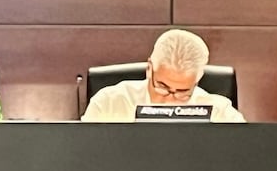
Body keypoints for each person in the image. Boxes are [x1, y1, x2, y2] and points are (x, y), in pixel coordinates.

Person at [81, 28, 245, 123]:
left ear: (197, 81)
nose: (169, 101)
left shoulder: (221, 113)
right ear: (149, 69)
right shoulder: (109, 103)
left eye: (182, 92)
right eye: (162, 87)